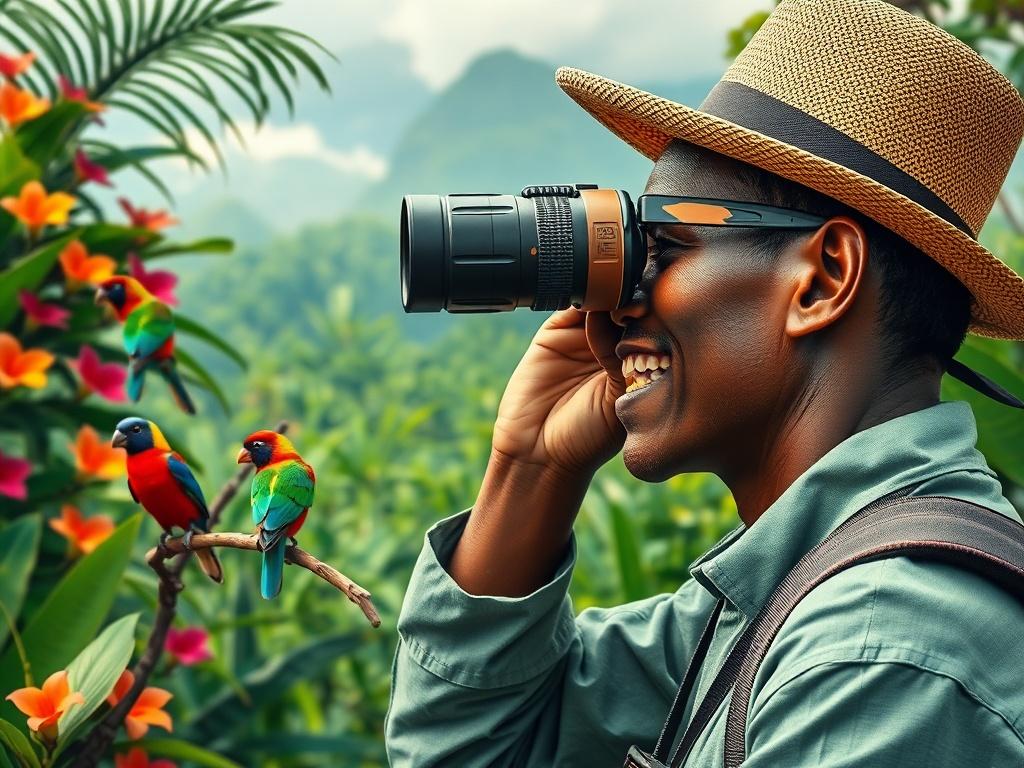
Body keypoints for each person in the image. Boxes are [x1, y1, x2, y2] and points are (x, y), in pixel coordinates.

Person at [385, 0, 1024, 765]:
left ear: (823, 279)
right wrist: (534, 466)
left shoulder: (877, 656)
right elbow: (470, 750)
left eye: (664, 247)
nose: (617, 303)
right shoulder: (781, 602)